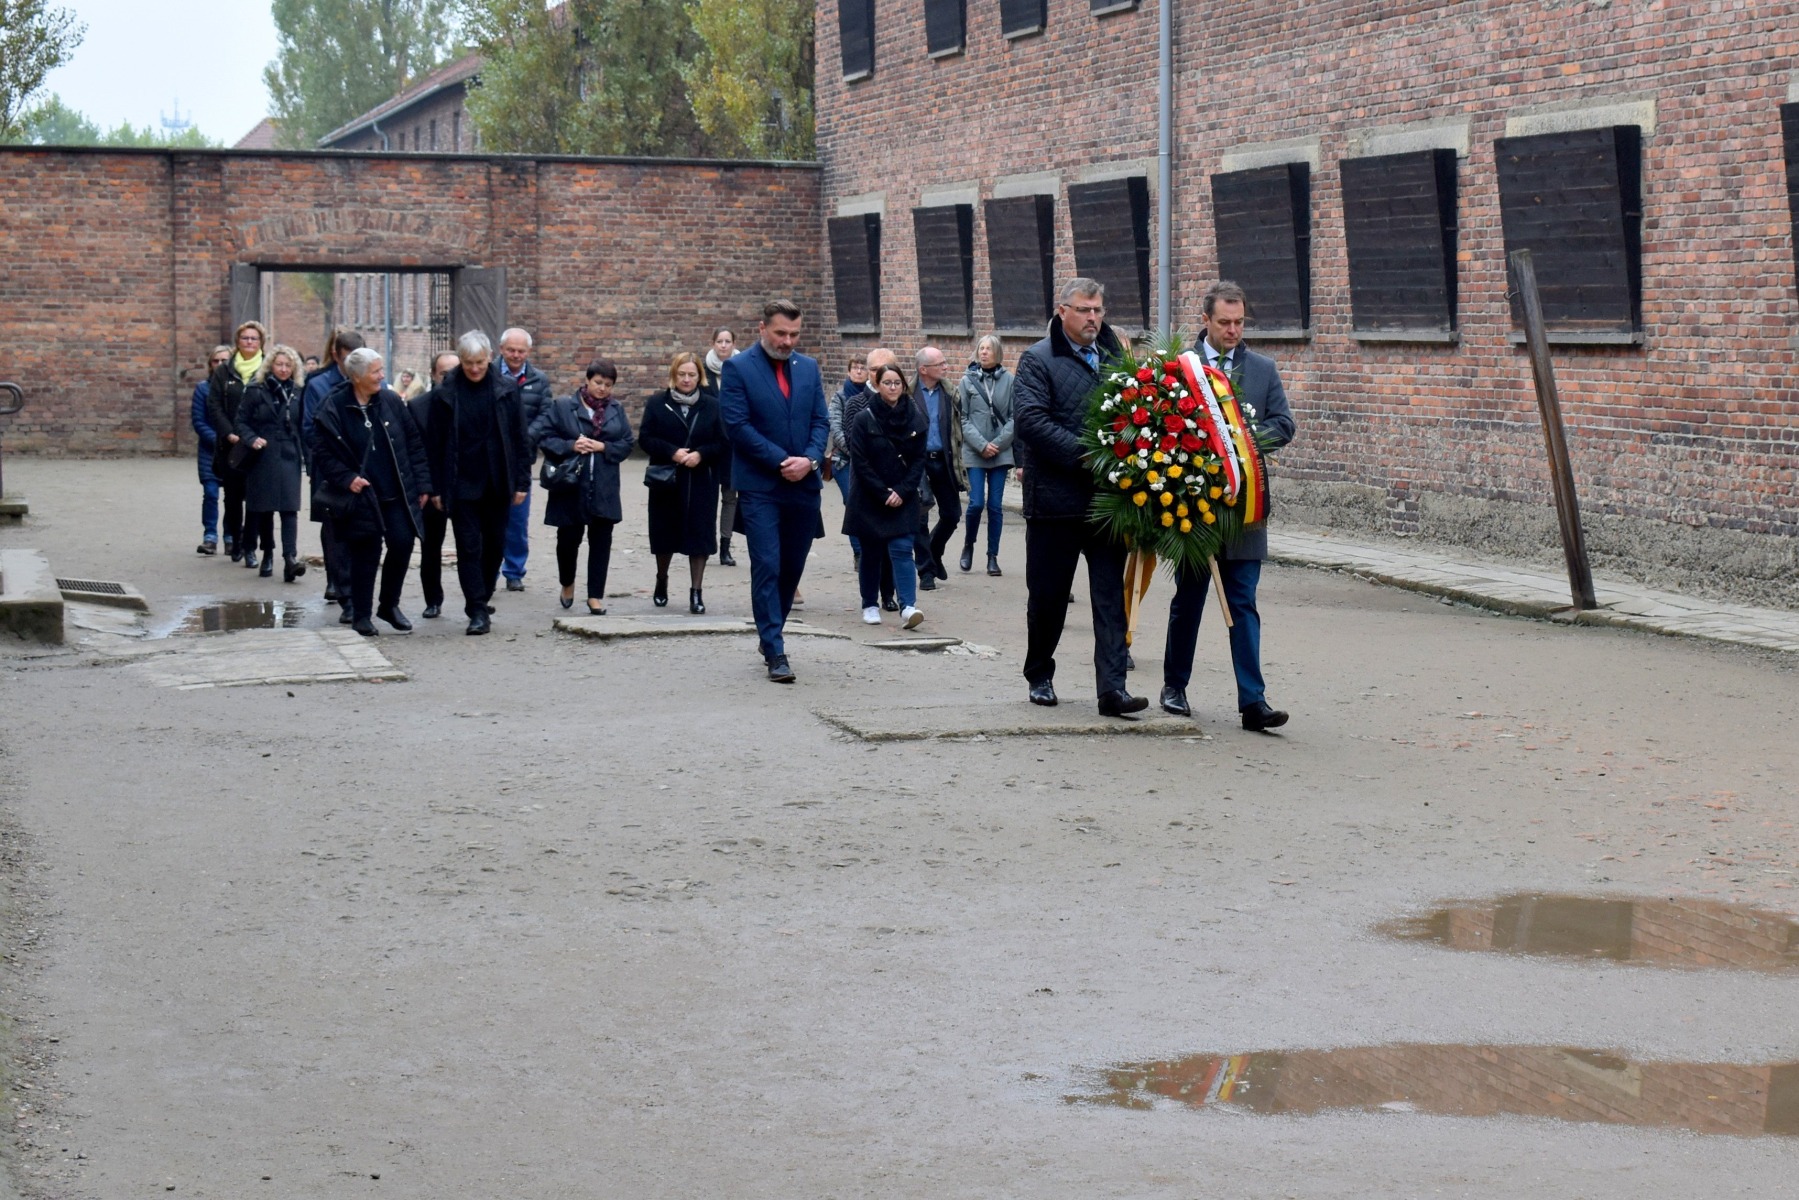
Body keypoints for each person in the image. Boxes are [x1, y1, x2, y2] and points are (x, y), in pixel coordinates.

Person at [1160, 280, 1297, 731]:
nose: (1233, 330)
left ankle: (1252, 702)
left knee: (1243, 602)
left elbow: (1284, 424)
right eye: (1225, 322)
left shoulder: (1262, 369)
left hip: (1246, 508)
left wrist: (1242, 442)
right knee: (1190, 600)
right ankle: (1174, 686)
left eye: (1239, 322)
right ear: (1206, 321)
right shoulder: (1183, 369)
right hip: (1195, 510)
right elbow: (1163, 425)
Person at [1014, 278, 1145, 717]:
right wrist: (1090, 456)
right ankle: (1040, 673)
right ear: (1061, 311)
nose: (1093, 318)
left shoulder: (1116, 357)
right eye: (1084, 310)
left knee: (1111, 597)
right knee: (1049, 596)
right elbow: (1031, 421)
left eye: (1098, 310)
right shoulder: (1037, 359)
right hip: (1055, 501)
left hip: (1108, 503)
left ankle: (1113, 690)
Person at [716, 299, 829, 683]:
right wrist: (783, 460)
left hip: (804, 485)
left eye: (794, 334)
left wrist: (811, 460)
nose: (787, 341)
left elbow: (820, 420)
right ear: (761, 328)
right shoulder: (739, 368)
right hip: (761, 484)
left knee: (792, 567)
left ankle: (771, 631)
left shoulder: (808, 368)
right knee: (767, 563)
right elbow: (737, 426)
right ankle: (775, 648)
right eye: (781, 333)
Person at [308, 348, 432, 636]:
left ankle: (389, 604)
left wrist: (423, 484)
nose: (382, 376)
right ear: (356, 377)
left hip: (396, 491)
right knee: (366, 553)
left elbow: (413, 443)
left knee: (402, 544)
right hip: (361, 495)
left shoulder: (389, 400)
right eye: (375, 371)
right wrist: (346, 478)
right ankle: (361, 614)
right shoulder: (333, 407)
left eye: (380, 369)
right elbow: (322, 452)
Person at [423, 330, 531, 636]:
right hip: (460, 482)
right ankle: (477, 610)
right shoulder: (446, 393)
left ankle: (481, 594)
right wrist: (435, 488)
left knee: (495, 545)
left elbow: (520, 438)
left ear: (489, 359)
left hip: (498, 480)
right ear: (461, 360)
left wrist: (522, 481)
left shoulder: (506, 389)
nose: (474, 369)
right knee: (468, 547)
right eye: (468, 363)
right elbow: (435, 443)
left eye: (480, 363)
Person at [530, 359, 635, 615]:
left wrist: (604, 447)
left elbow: (627, 443)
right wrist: (571, 446)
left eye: (608, 385)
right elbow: (545, 437)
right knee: (568, 540)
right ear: (587, 380)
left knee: (601, 541)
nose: (602, 389)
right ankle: (567, 582)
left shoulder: (616, 410)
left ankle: (595, 595)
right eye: (598, 382)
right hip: (570, 485)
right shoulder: (564, 406)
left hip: (604, 486)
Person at [639, 352, 727, 614]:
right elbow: (645, 438)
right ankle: (662, 578)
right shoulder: (657, 403)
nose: (686, 379)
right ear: (673, 376)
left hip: (701, 480)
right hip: (667, 479)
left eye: (692, 375)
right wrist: (671, 451)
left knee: (699, 535)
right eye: (682, 374)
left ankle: (696, 591)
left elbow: (723, 441)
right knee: (665, 533)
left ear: (699, 377)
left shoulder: (712, 405)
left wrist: (701, 454)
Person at [845, 363, 927, 630]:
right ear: (877, 386)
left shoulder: (914, 418)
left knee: (903, 549)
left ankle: (908, 606)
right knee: (871, 552)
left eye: (897, 383)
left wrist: (902, 491)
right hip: (871, 496)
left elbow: (917, 461)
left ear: (904, 386)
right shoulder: (864, 418)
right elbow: (860, 460)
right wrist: (883, 492)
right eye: (887, 383)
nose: (893, 388)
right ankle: (869, 603)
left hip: (903, 495)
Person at [304, 329, 366, 615]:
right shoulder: (318, 385)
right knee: (333, 528)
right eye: (347, 360)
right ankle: (341, 588)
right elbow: (309, 429)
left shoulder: (372, 380)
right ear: (336, 356)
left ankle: (353, 587)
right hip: (330, 468)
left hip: (363, 470)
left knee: (362, 529)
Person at [239, 344, 309, 582]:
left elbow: (303, 425)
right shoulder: (256, 390)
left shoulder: (298, 391)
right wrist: (251, 439)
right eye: (279, 364)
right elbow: (241, 421)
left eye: (288, 365)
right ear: (270, 365)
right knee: (265, 508)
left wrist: (308, 456)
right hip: (264, 453)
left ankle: (290, 558)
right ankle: (267, 553)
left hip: (289, 452)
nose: (283, 369)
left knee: (290, 508)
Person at [205, 321, 268, 565]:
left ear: (261, 342)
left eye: (254, 338)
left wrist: (255, 437)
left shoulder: (267, 368)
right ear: (237, 342)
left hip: (257, 444)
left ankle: (251, 543)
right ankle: (236, 540)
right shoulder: (224, 371)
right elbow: (214, 405)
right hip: (230, 445)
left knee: (255, 495)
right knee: (232, 497)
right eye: (245, 338)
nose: (249, 342)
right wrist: (229, 433)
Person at [497, 327, 551, 593]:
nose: (516, 355)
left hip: (522, 458)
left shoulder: (539, 380)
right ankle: (489, 568)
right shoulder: (489, 375)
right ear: (501, 350)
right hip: (492, 457)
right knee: (490, 517)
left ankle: (514, 571)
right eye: (511, 350)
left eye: (521, 351)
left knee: (518, 519)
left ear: (528, 352)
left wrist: (523, 437)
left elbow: (545, 413)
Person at [408, 350, 461, 619]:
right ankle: (433, 599)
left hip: (464, 486)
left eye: (454, 372)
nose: (449, 378)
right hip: (432, 486)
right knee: (431, 548)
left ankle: (477, 597)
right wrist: (428, 488)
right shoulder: (418, 407)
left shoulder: (470, 402)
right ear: (432, 375)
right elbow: (418, 453)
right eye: (444, 373)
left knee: (472, 545)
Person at [958, 334, 1015, 577]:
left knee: (995, 506)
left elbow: (1015, 417)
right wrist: (982, 445)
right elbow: (962, 418)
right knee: (976, 503)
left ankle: (993, 556)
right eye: (981, 348)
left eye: (988, 349)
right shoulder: (967, 380)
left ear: (997, 353)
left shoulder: (1009, 380)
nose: (983, 352)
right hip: (974, 451)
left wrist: (998, 444)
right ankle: (969, 544)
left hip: (1000, 454)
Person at [911, 346, 966, 586]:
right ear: (924, 369)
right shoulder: (907, 394)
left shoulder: (950, 393)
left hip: (944, 460)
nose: (946, 367)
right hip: (917, 461)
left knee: (952, 514)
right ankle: (926, 571)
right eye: (940, 364)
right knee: (920, 515)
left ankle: (934, 551)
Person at [702, 326, 740, 567]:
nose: (723, 345)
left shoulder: (742, 369)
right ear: (713, 343)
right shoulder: (702, 371)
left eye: (728, 341)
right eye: (719, 341)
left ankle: (725, 547)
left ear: (734, 343)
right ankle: (706, 544)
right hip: (709, 443)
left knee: (730, 497)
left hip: (733, 444)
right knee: (707, 497)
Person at [826, 355, 869, 569]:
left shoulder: (873, 396)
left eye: (863, 368)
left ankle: (870, 549)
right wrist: (854, 449)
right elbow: (835, 426)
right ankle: (859, 552)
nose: (859, 371)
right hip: (844, 461)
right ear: (849, 371)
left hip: (869, 461)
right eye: (855, 368)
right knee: (852, 503)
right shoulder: (840, 397)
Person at [190, 344, 231, 555]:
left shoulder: (236, 387)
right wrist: (218, 440)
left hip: (233, 449)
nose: (220, 364)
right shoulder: (203, 389)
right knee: (211, 492)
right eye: (216, 361)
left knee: (232, 495)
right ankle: (210, 536)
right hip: (210, 450)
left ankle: (231, 536)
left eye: (225, 360)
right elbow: (199, 421)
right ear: (210, 364)